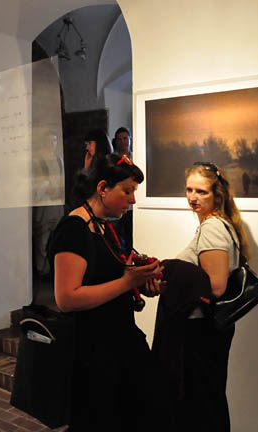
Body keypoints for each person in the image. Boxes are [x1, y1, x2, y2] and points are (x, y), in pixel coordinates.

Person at [50, 153, 164, 430]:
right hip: (93, 352)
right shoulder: (74, 229)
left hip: (117, 342)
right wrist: (127, 282)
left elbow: (112, 279)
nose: (132, 200)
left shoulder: (104, 226)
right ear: (103, 188)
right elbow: (66, 298)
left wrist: (140, 281)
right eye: (127, 191)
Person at [173, 161, 250, 431]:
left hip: (202, 328)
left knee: (202, 402)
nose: (193, 197)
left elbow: (215, 287)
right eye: (189, 190)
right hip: (211, 328)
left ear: (217, 195)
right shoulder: (218, 224)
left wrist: (172, 278)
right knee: (208, 398)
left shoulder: (213, 228)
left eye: (201, 191)